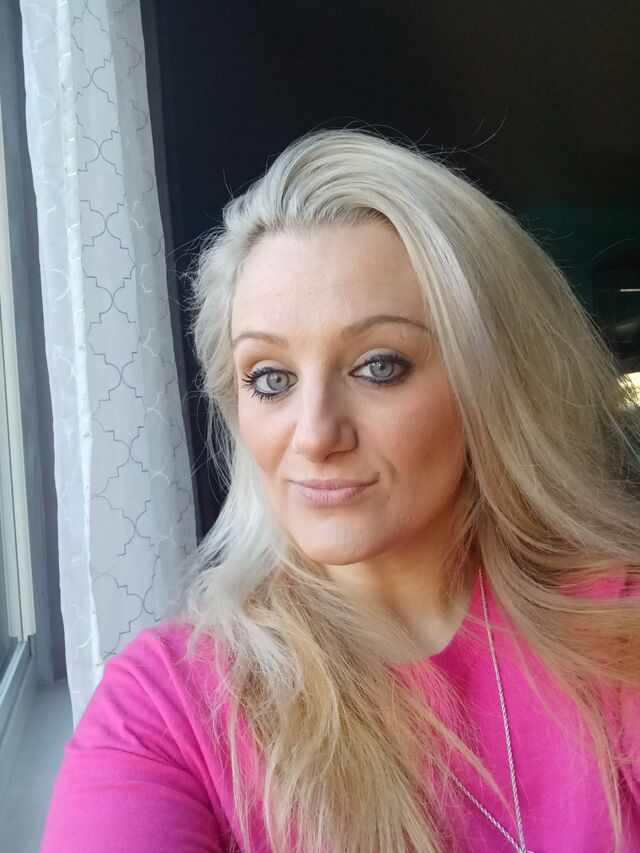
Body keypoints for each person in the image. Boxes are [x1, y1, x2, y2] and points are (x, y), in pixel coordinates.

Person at [41, 128, 640, 853]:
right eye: (271, 378)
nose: (315, 434)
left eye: (379, 366)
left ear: (490, 384)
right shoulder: (168, 709)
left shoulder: (618, 627)